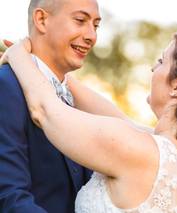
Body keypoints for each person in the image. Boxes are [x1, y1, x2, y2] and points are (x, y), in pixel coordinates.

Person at [0, 27, 177, 212]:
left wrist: (18, 55)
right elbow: (117, 118)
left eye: (161, 61)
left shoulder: (138, 150)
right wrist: (47, 66)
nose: (153, 68)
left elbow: (44, 110)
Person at [0, 0, 101, 212]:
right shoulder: (6, 86)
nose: (92, 36)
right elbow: (8, 196)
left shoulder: (81, 102)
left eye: (96, 25)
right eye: (80, 21)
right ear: (41, 20)